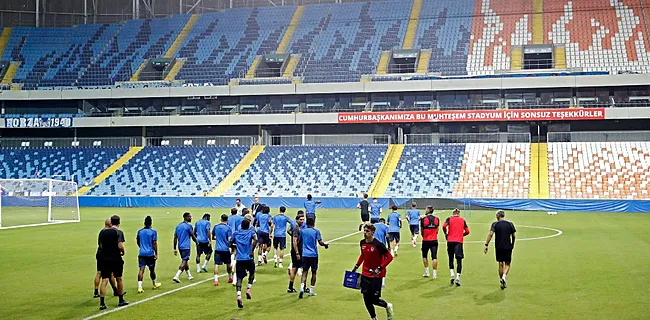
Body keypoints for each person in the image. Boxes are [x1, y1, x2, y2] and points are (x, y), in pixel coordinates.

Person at [352, 223, 394, 320]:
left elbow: (389, 257)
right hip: (365, 275)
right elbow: (363, 255)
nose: (365, 233)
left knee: (374, 300)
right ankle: (374, 318)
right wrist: (356, 266)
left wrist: (380, 268)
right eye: (364, 231)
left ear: (373, 232)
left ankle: (387, 306)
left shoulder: (378, 244)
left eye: (367, 231)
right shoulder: (362, 242)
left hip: (376, 276)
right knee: (366, 299)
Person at [97, 215, 128, 310]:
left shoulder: (103, 232)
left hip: (104, 258)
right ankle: (121, 299)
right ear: (119, 222)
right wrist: (123, 252)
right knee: (119, 278)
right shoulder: (118, 232)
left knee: (105, 280)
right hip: (115, 258)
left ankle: (102, 303)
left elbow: (100, 245)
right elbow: (120, 245)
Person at [484, 210, 516, 290]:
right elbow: (514, 235)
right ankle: (504, 277)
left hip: (498, 246)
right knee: (507, 264)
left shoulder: (495, 224)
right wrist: (512, 244)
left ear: (498, 216)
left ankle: (501, 280)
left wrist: (486, 245)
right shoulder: (510, 224)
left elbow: (491, 234)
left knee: (500, 263)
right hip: (508, 246)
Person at [298, 217, 329, 299]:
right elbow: (320, 242)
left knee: (304, 272)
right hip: (313, 255)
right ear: (313, 223)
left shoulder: (303, 231)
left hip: (305, 254)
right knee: (314, 272)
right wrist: (325, 245)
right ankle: (311, 291)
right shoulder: (316, 231)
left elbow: (299, 241)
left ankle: (301, 288)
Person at [230, 219, 258, 309]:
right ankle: (248, 289)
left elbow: (229, 243)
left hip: (240, 259)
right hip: (249, 258)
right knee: (252, 273)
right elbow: (256, 239)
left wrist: (235, 247)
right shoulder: (250, 233)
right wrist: (252, 250)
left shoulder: (236, 233)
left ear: (241, 225)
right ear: (248, 225)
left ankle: (239, 295)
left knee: (239, 278)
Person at [442, 208, 470, 286]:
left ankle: (452, 274)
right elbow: (467, 231)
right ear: (459, 213)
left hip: (450, 241)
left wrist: (446, 234)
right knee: (459, 260)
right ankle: (458, 277)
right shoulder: (462, 220)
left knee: (451, 258)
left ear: (453, 213)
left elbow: (444, 226)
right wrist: (461, 235)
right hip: (459, 242)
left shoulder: (449, 219)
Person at [136, 216, 161, 293]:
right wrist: (156, 253)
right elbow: (154, 243)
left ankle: (140, 287)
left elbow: (138, 241)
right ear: (151, 223)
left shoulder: (140, 231)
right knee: (152, 269)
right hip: (150, 254)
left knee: (141, 270)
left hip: (142, 253)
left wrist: (141, 247)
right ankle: (154, 284)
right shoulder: (153, 232)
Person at [94, 219, 118, 298]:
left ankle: (96, 291)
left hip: (100, 253)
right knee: (107, 275)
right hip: (106, 255)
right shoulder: (108, 233)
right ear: (109, 223)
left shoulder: (101, 232)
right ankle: (115, 290)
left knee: (99, 273)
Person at [173, 212, 197, 283]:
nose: (191, 218)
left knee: (185, 260)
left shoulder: (178, 226)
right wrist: (197, 243)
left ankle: (189, 275)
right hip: (186, 246)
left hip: (180, 246)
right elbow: (193, 236)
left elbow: (175, 238)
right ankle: (177, 276)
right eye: (190, 217)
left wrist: (174, 248)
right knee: (184, 261)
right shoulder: (188, 226)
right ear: (186, 217)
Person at [212, 214, 234, 286]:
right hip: (225, 249)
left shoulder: (216, 227)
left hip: (218, 249)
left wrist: (218, 238)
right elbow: (229, 239)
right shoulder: (228, 228)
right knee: (228, 264)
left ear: (221, 219)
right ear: (227, 220)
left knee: (217, 264)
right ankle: (230, 277)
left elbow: (213, 237)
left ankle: (216, 280)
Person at [420, 206, 440, 279]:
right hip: (434, 240)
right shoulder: (437, 219)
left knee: (424, 256)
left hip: (426, 240)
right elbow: (437, 230)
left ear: (428, 210)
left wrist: (424, 236)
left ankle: (427, 272)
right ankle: (435, 274)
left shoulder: (423, 219)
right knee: (434, 257)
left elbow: (421, 231)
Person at [287, 212, 305, 293]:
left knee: (295, 268)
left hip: (297, 250)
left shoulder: (297, 228)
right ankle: (303, 287)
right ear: (296, 220)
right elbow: (294, 242)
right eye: (301, 220)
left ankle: (290, 287)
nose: (302, 221)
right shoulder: (296, 228)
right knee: (302, 268)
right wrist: (297, 253)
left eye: (303, 220)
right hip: (297, 251)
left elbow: (288, 231)